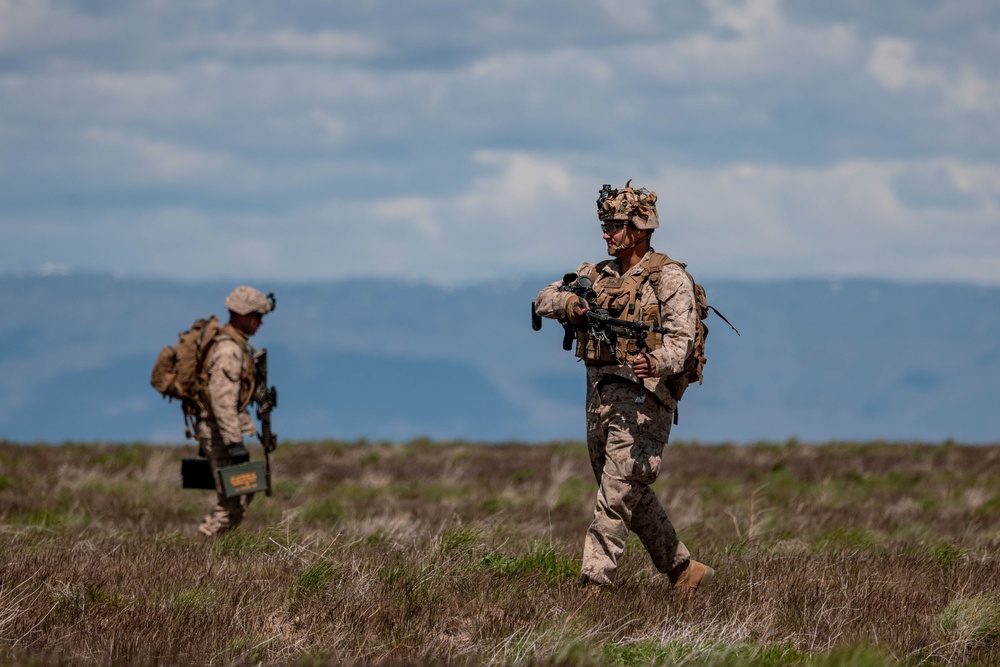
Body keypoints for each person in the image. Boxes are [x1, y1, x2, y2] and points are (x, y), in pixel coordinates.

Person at [533, 181, 714, 597]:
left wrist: (656, 361)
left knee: (615, 496)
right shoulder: (595, 275)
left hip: (644, 401)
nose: (606, 233)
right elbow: (544, 299)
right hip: (598, 398)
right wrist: (571, 306)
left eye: (615, 225)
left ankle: (593, 586)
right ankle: (683, 569)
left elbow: (681, 340)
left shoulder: (669, 279)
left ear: (640, 228)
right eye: (605, 224)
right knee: (628, 491)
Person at [195, 285, 273, 537]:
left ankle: (208, 554)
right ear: (241, 315)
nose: (260, 323)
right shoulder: (229, 351)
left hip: (224, 432)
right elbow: (222, 400)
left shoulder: (236, 345)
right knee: (232, 505)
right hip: (221, 433)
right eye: (257, 316)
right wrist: (233, 442)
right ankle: (201, 553)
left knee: (238, 498)